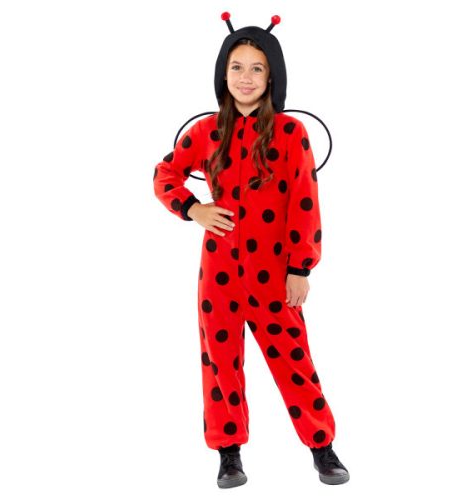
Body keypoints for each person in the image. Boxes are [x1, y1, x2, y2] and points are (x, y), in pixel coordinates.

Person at [153, 12, 349, 488]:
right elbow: (164, 174)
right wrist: (193, 209)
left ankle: (321, 447)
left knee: (293, 360)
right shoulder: (205, 132)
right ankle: (229, 454)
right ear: (223, 74)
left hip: (274, 273)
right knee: (220, 363)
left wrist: (301, 268)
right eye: (237, 67)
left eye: (257, 68)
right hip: (218, 273)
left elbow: (305, 202)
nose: (246, 77)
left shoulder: (290, 132)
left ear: (272, 75)